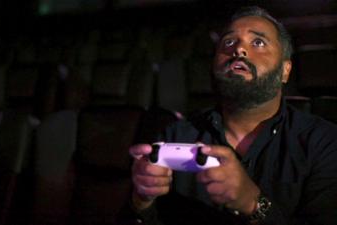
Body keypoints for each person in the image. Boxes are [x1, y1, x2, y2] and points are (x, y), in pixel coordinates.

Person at [121, 6, 337, 225]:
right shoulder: (176, 135)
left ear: (285, 70)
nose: (239, 49)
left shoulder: (323, 143)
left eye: (258, 43)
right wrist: (141, 201)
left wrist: (254, 204)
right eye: (229, 42)